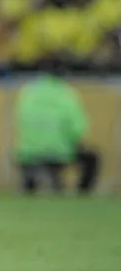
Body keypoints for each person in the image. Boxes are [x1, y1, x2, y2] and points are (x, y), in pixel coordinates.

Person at [14, 60, 98, 194]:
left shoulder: (28, 92)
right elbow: (77, 128)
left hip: (28, 151)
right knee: (92, 158)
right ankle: (82, 194)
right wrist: (77, 143)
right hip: (59, 151)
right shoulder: (66, 93)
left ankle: (30, 185)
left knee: (34, 158)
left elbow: (19, 120)